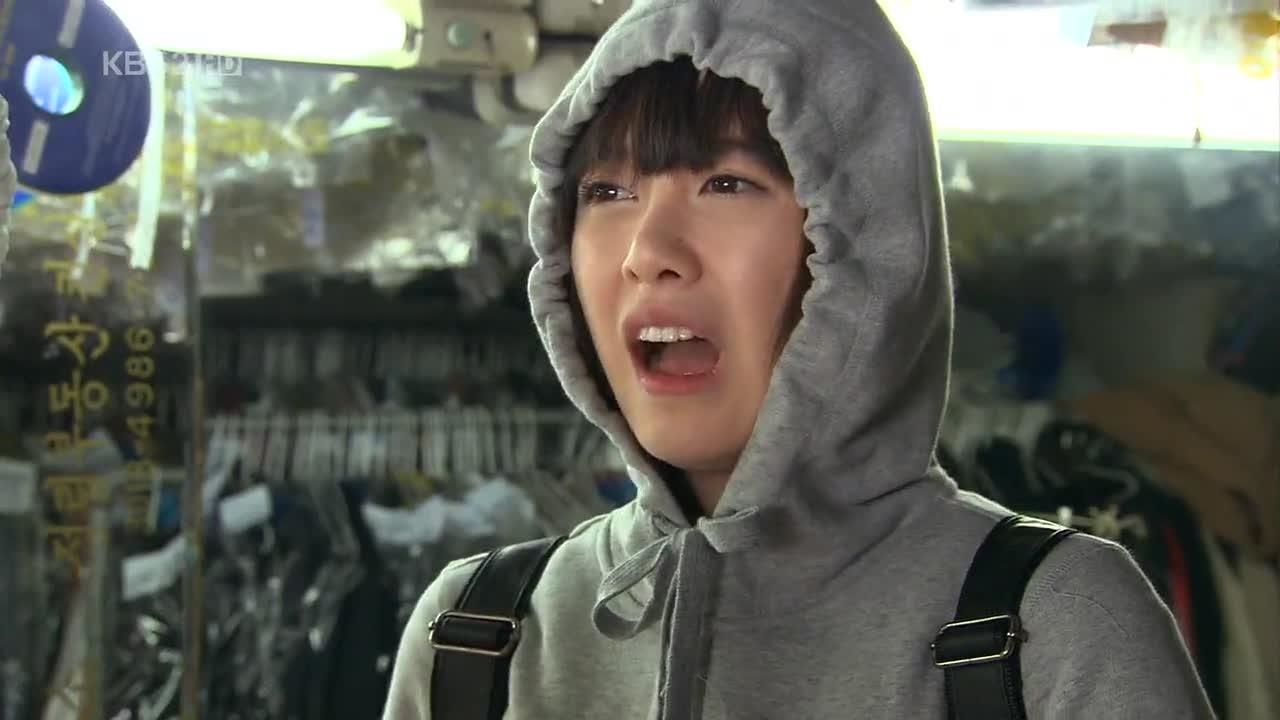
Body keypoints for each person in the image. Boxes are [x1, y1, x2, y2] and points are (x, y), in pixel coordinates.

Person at [384, 1, 1216, 718]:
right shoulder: (475, 637)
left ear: (871, 241)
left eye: (726, 183)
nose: (647, 252)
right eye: (607, 193)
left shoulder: (1054, 627)